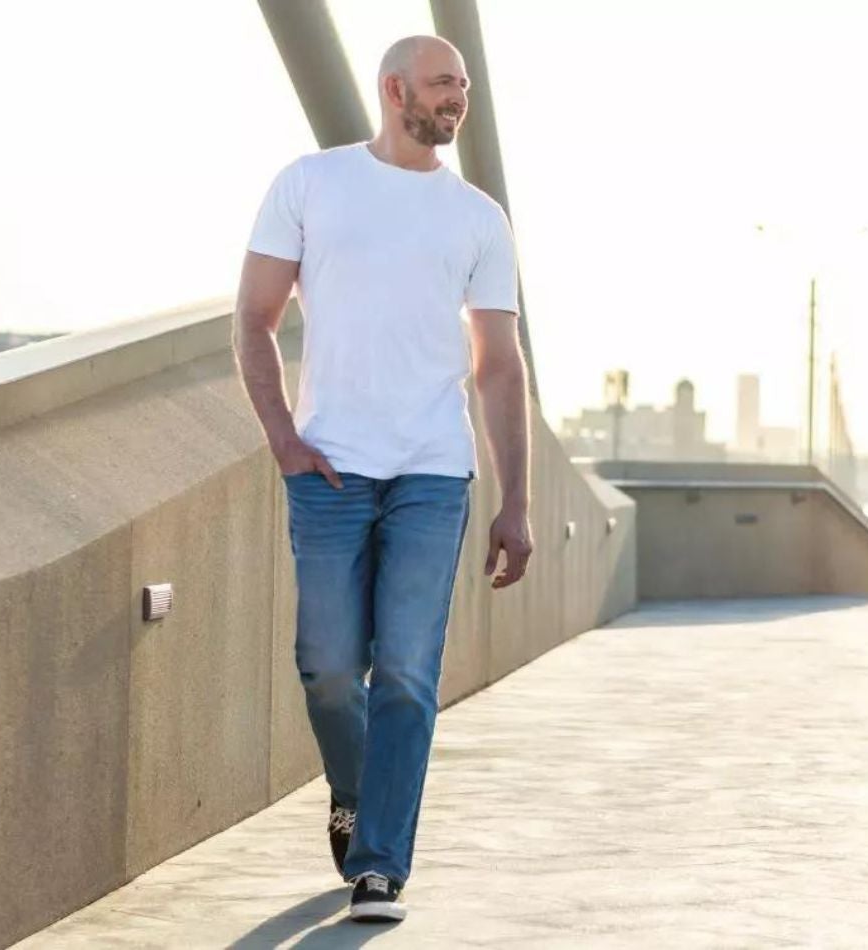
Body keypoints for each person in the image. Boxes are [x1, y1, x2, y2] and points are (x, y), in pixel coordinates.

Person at [231, 34, 541, 926]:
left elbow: (497, 365)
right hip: (328, 466)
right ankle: (352, 791)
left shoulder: (478, 217)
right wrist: (285, 440)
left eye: (466, 87)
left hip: (433, 472)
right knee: (328, 667)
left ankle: (379, 866)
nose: (458, 99)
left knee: (405, 671)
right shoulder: (311, 183)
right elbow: (253, 320)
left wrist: (514, 502)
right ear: (393, 87)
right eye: (445, 84)